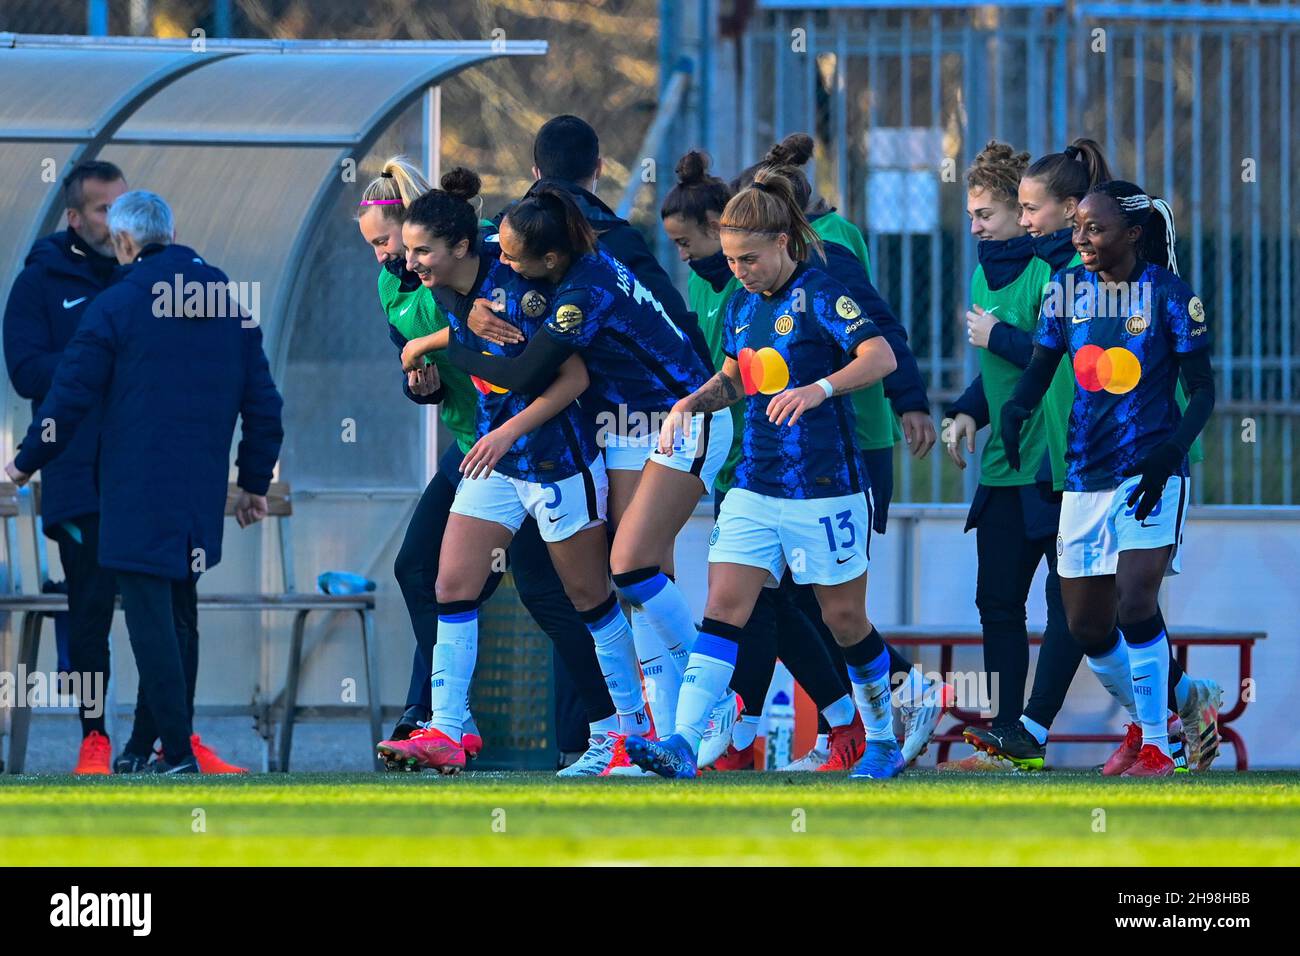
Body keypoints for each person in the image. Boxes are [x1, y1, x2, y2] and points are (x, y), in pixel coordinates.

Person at [659, 149, 946, 772]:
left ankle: (884, 743)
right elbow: (736, 380)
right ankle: (681, 744)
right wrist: (691, 403)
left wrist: (819, 388)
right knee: (724, 608)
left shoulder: (822, 291)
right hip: (756, 485)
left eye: (749, 258)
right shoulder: (739, 301)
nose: (739, 271)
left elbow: (880, 356)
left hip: (825, 485)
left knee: (843, 618)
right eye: (731, 259)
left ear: (784, 242)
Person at [947, 140, 1221, 772]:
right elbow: (1041, 367)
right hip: (1080, 476)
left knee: (1135, 601)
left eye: (1094, 229)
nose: (1082, 240)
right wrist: (1010, 411)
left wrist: (1172, 450)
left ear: (1132, 233)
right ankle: (1166, 714)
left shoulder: (1172, 295)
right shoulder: (1066, 292)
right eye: (1078, 229)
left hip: (1150, 473)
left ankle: (1156, 741)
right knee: (1090, 625)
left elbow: (1204, 390)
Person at [435, 186, 737, 750]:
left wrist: (454, 349)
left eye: (514, 260)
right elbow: (457, 262)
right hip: (623, 427)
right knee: (639, 582)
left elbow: (527, 374)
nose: (505, 267)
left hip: (680, 417)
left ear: (548, 260)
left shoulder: (583, 293)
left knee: (632, 568)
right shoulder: (546, 242)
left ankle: (714, 693)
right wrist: (458, 307)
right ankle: (657, 738)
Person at [5, 190, 284, 774]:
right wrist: (253, 478)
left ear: (127, 243)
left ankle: (177, 752)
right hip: (199, 491)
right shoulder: (225, 300)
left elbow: (69, 397)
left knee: (152, 616)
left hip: (134, 488)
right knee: (181, 611)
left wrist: (24, 463)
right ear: (172, 232)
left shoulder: (116, 303)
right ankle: (141, 750)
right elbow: (264, 402)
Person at [378, 170, 644, 776]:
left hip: (555, 459)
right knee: (450, 583)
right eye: (407, 248)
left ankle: (625, 730)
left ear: (462, 248)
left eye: (422, 250)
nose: (408, 260)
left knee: (589, 599)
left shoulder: (519, 288)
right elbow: (463, 332)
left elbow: (571, 379)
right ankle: (445, 728)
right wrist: (429, 350)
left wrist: (501, 430)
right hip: (496, 458)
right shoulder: (452, 288)